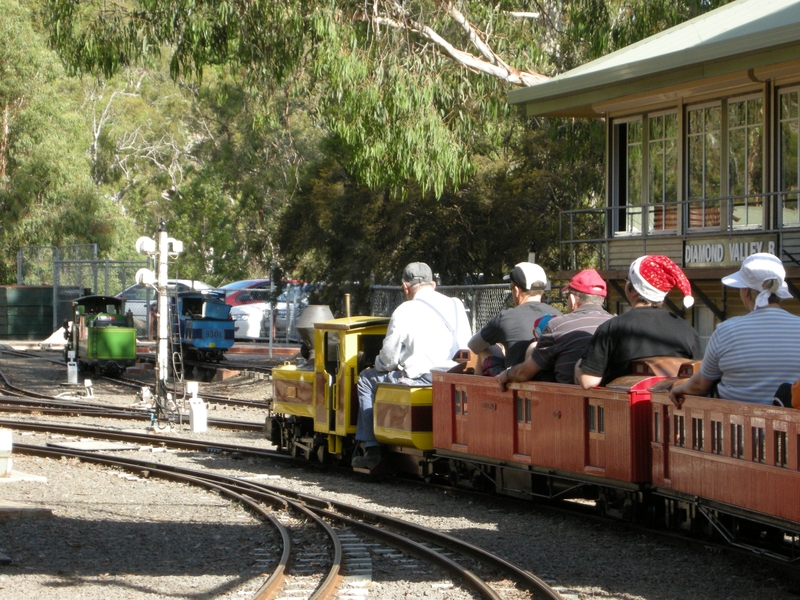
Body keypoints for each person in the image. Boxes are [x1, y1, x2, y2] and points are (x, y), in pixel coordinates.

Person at [353, 262, 471, 469]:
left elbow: (389, 359)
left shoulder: (404, 310)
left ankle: (372, 448)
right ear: (433, 284)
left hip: (422, 377)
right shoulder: (456, 304)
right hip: (454, 375)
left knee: (365, 379)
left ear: (405, 287)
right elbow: (467, 345)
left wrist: (376, 364)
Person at [669, 253, 800, 408]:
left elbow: (700, 385)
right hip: (789, 431)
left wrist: (680, 388)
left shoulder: (726, 331)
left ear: (745, 292)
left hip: (736, 429)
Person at [576, 255, 701, 389]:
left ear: (634, 290)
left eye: (627, 280)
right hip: (671, 407)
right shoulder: (688, 330)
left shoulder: (612, 328)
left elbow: (588, 381)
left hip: (624, 407)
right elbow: (697, 375)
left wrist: (579, 364)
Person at [496, 269, 613, 389]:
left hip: (564, 401)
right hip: (611, 397)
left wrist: (507, 374)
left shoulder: (558, 326)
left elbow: (524, 373)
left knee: (533, 348)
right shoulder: (615, 324)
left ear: (573, 299)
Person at [468, 262, 561, 374]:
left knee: (485, 350)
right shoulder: (559, 315)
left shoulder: (505, 317)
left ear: (516, 291)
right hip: (552, 382)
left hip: (514, 381)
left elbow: (473, 345)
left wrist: (498, 347)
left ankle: (478, 391)